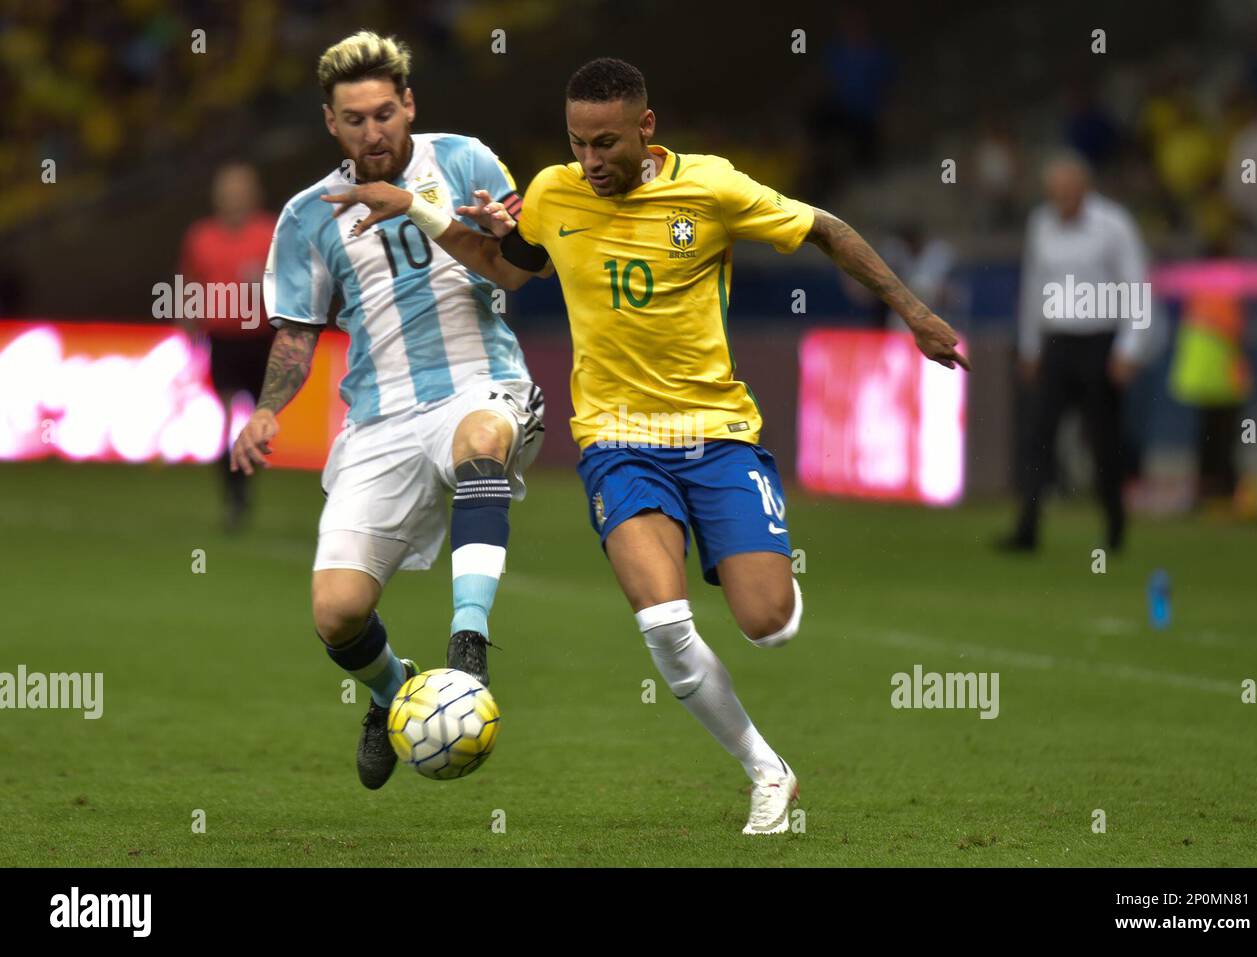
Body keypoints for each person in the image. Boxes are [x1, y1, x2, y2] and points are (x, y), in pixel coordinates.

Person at [326, 58, 966, 834]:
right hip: (617, 442)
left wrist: (915, 312)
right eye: (577, 143)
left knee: (767, 619)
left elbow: (825, 228)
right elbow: (506, 267)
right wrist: (419, 210)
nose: (590, 162)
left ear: (645, 128)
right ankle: (768, 772)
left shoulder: (713, 188)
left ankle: (756, 575)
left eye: (605, 144)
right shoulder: (556, 193)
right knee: (663, 622)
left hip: (719, 434)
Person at [230, 31, 544, 790]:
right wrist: (269, 409)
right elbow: (299, 332)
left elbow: (521, 271)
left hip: (481, 379)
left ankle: (468, 642)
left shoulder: (465, 159)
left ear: (409, 105)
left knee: (480, 442)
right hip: (379, 417)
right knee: (337, 612)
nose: (374, 131)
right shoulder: (308, 216)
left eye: (384, 112)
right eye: (355, 119)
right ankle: (391, 692)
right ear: (331, 124)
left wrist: (505, 232)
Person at [1002, 152, 1151, 553]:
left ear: (1084, 188)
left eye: (1067, 192)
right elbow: (1034, 286)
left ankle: (1114, 529)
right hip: (1056, 343)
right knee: (1038, 436)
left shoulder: (1113, 225)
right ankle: (1027, 529)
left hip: (1099, 343)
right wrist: (1030, 346)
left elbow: (1136, 284)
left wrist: (1129, 347)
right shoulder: (1041, 223)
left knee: (1104, 441)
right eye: (1054, 193)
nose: (1060, 200)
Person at [177, 162, 276, 530]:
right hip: (223, 340)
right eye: (227, 191)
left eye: (239, 191)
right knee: (228, 414)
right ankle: (234, 491)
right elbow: (188, 282)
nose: (233, 198)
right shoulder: (201, 236)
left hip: (263, 339)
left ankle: (244, 479)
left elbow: (294, 283)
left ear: (253, 195)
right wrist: (188, 328)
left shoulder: (270, 232)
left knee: (257, 420)